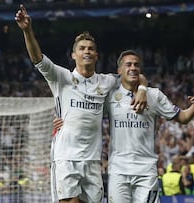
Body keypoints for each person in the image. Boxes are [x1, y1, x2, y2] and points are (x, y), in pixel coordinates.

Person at [15, 5, 148, 203]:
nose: (87, 51)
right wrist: (27, 30)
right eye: (82, 48)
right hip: (65, 157)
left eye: (91, 49)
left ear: (96, 55)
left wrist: (143, 91)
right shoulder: (61, 77)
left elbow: (138, 77)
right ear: (73, 55)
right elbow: (37, 58)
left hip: (93, 160)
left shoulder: (107, 81)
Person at [55, 50, 194, 202]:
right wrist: (62, 121)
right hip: (118, 170)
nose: (133, 68)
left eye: (136, 65)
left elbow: (183, 117)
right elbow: (86, 112)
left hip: (146, 171)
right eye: (128, 65)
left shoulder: (155, 95)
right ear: (119, 71)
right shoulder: (110, 96)